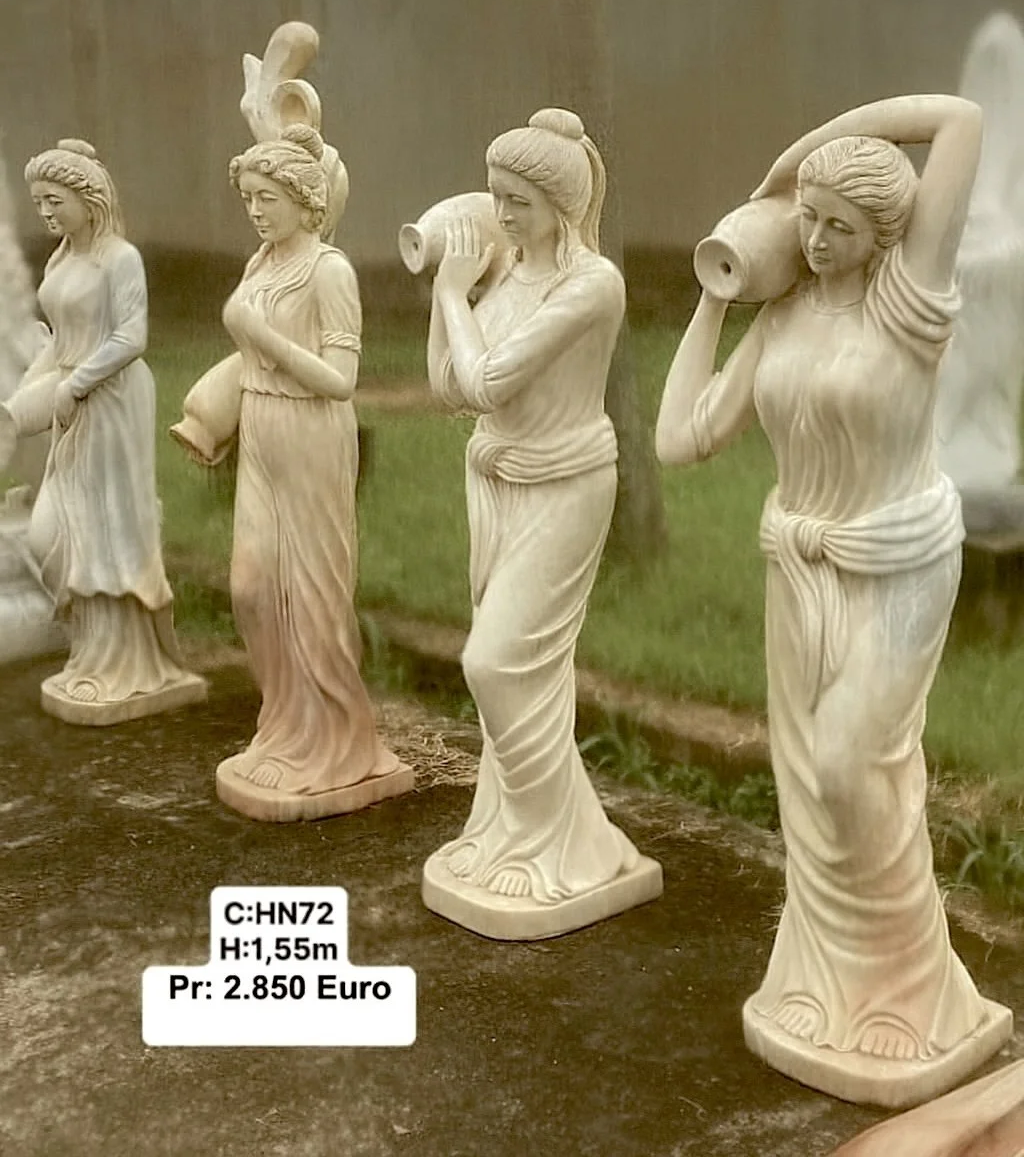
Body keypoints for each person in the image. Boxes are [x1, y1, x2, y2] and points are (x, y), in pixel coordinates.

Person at [656, 95, 1011, 1095]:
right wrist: (718, 296)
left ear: (882, 236)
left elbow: (958, 121)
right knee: (809, 785)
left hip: (897, 562)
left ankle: (910, 997)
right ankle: (822, 985)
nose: (811, 240)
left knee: (857, 769)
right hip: (798, 569)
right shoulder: (780, 316)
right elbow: (678, 440)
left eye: (836, 226)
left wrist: (793, 152)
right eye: (803, 218)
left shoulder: (913, 299)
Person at [424, 107, 660, 925]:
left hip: (565, 484)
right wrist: (448, 296)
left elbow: (489, 382)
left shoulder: (593, 285)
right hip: (495, 482)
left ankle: (559, 845)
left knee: (496, 663)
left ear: (558, 203)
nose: (501, 214)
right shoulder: (507, 275)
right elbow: (448, 386)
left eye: (516, 200)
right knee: (528, 673)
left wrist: (456, 295)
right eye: (495, 197)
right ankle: (518, 835)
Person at [186, 126, 407, 817]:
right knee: (252, 587)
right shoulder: (260, 265)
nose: (255, 210)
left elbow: (341, 379)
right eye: (249, 198)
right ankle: (281, 728)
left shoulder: (329, 272)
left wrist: (263, 340)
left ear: (303, 200)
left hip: (312, 433)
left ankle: (337, 740)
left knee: (313, 595)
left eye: (268, 197)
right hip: (262, 428)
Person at [8, 139, 205, 722]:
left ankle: (126, 663)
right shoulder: (61, 257)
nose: (44, 212)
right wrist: (24, 397)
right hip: (72, 397)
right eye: (38, 201)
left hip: (113, 397)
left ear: (87, 198)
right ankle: (91, 652)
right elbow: (54, 339)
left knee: (108, 527)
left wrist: (75, 382)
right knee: (52, 531)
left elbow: (131, 337)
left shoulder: (120, 259)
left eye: (54, 200)